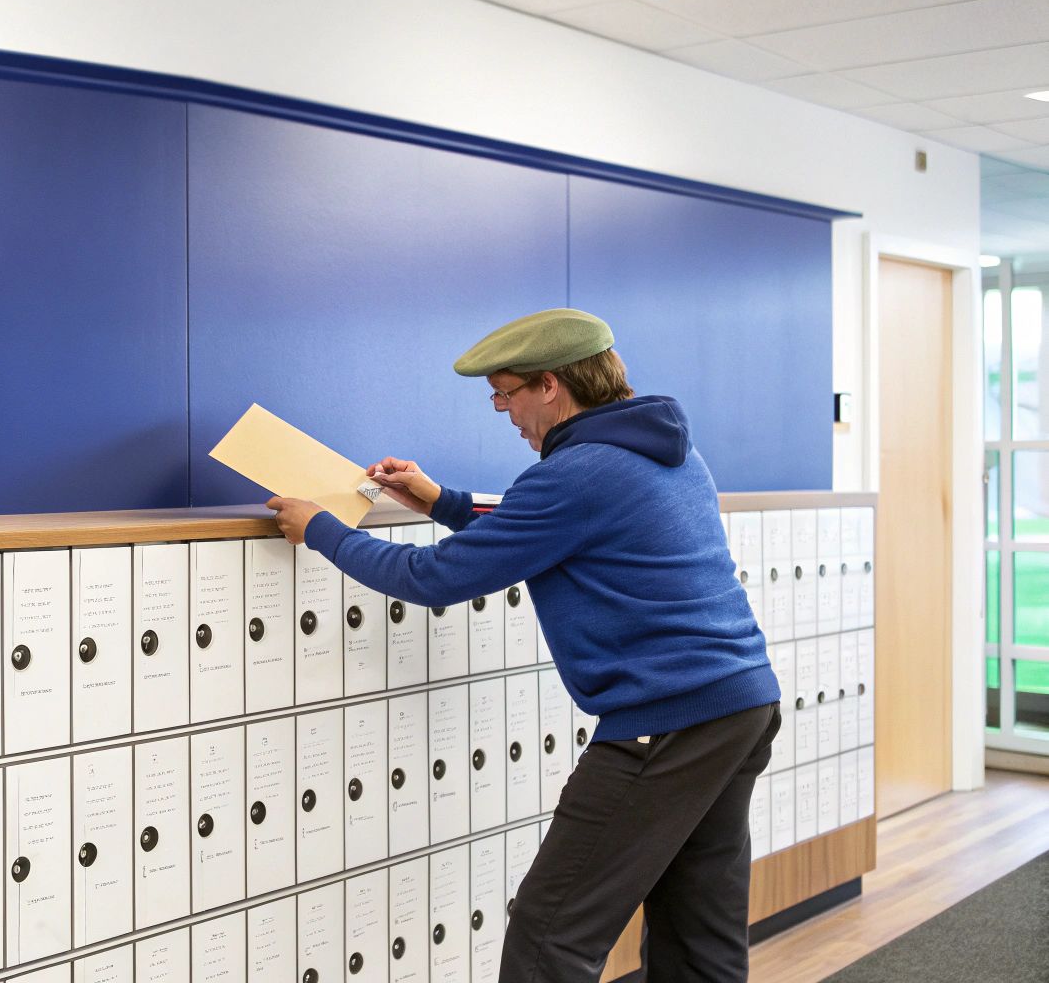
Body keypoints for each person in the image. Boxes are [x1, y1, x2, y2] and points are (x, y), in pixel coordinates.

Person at [266, 308, 780, 983]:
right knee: (697, 929)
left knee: (550, 934)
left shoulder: (577, 470)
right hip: (739, 703)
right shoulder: (655, 448)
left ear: (552, 386)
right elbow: (547, 522)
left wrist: (323, 530)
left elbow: (435, 575)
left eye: (506, 393)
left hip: (669, 719)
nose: (505, 411)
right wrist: (439, 501)